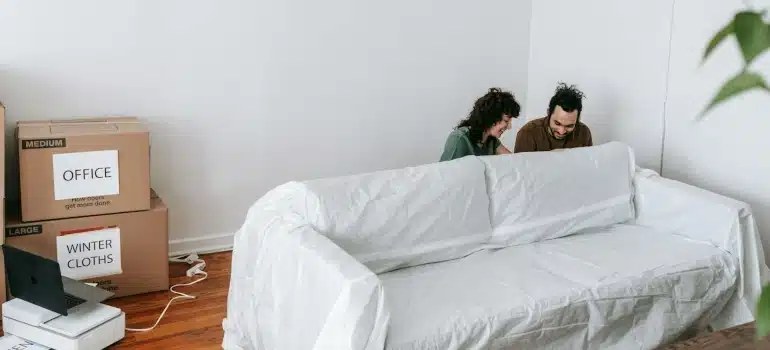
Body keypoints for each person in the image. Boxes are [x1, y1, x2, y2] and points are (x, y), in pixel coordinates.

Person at [439, 88, 521, 162]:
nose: (509, 127)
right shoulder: (460, 138)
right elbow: (446, 175)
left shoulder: (491, 141)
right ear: (492, 117)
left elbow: (513, 161)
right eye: (506, 121)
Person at [513, 82, 593, 153]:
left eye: (569, 126)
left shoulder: (584, 133)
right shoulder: (528, 134)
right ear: (549, 113)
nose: (561, 131)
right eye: (557, 123)